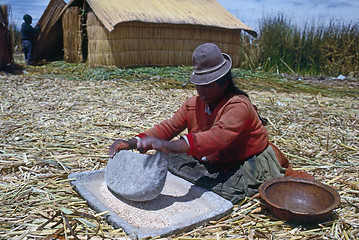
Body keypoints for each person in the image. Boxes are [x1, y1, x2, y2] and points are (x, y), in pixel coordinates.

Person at [109, 43, 313, 204]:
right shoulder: (193, 104)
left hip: (246, 160)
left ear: (224, 82)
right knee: (164, 161)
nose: (202, 92)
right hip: (212, 159)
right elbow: (168, 127)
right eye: (199, 86)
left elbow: (218, 138)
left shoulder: (238, 105)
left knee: (224, 192)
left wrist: (173, 145)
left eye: (207, 86)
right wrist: (131, 142)